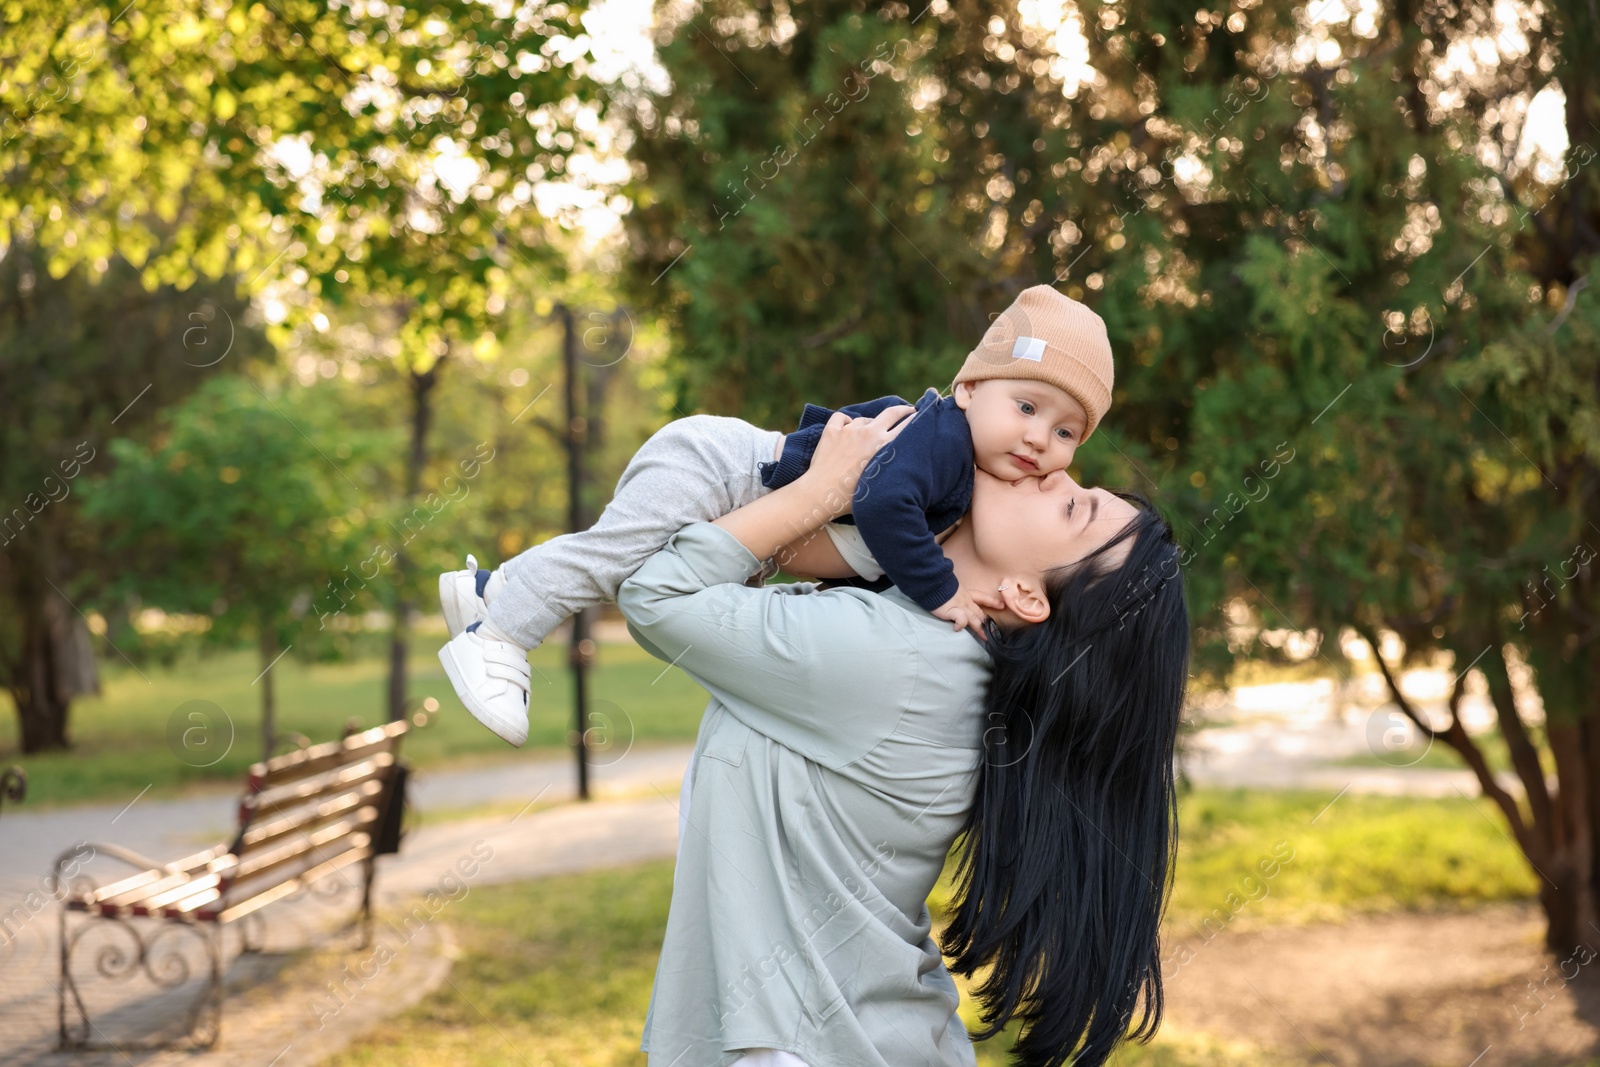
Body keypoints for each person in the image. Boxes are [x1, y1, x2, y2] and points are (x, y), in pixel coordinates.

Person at [609, 408, 1190, 1066]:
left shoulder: (903, 661)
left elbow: (654, 593)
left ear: (1029, 595)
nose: (1053, 473)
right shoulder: (930, 637)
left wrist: (821, 489)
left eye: (1073, 510)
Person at [438, 285, 1116, 746]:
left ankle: (485, 588)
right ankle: (498, 634)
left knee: (620, 554)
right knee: (611, 558)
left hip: (735, 499)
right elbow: (877, 502)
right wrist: (940, 589)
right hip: (720, 469)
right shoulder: (941, 446)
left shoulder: (965, 484)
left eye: (1064, 434)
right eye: (1027, 408)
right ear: (968, 387)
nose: (1038, 440)